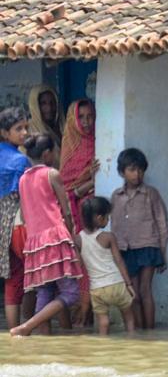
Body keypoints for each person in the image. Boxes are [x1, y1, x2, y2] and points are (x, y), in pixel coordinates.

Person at [11, 134, 83, 336]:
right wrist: (71, 237)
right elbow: (66, 210)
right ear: (47, 154)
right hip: (55, 237)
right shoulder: (52, 174)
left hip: (34, 241)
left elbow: (24, 215)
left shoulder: (23, 178)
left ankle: (43, 345)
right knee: (71, 293)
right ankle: (26, 327)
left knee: (45, 291)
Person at [110, 148, 168, 329]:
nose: (137, 174)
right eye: (132, 170)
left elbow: (162, 224)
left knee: (145, 290)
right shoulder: (116, 196)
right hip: (126, 249)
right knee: (133, 294)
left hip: (148, 246)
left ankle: (150, 330)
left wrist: (163, 253)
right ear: (122, 172)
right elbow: (113, 225)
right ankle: (140, 334)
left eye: (141, 170)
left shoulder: (151, 194)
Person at [59, 99, 99, 326]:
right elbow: (65, 192)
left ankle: (87, 314)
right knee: (81, 264)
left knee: (94, 263)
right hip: (77, 217)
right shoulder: (69, 148)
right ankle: (81, 313)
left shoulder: (100, 141)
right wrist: (86, 181)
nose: (85, 122)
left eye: (90, 116)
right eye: (81, 117)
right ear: (73, 120)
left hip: (96, 216)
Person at [76, 196, 136, 335]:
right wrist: (129, 284)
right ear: (99, 218)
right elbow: (119, 261)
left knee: (103, 322)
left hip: (96, 288)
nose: (108, 220)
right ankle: (133, 343)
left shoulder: (78, 239)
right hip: (116, 284)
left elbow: (79, 264)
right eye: (107, 217)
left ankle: (102, 345)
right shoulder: (108, 237)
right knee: (129, 318)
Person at [0, 107, 31, 329]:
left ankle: (13, 331)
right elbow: (26, 194)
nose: (25, 133)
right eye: (18, 129)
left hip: (2, 223)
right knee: (28, 274)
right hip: (17, 221)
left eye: (26, 128)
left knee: (11, 277)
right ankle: (29, 329)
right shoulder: (20, 161)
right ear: (4, 132)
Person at [27, 84, 65, 150]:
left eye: (52, 102)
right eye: (43, 103)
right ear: (35, 105)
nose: (49, 108)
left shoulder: (63, 127)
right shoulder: (30, 131)